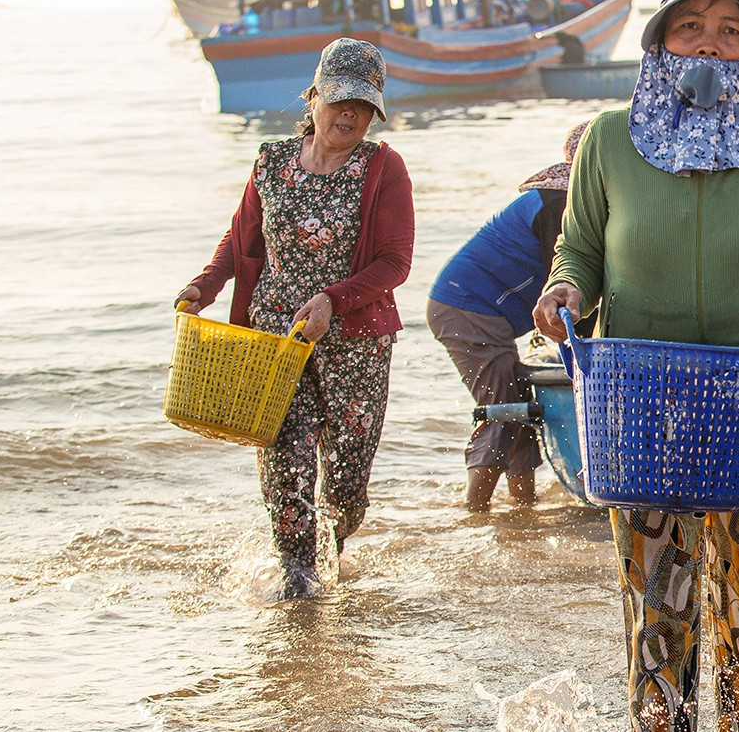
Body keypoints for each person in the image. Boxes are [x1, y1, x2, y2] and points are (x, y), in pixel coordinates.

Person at [531, 0, 739, 732]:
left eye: (731, 31)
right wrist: (566, 290)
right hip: (639, 407)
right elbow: (577, 252)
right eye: (691, 27)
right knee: (656, 605)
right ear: (661, 41)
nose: (710, 44)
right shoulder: (609, 140)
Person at [177, 38, 414, 599]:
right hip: (277, 340)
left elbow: (394, 263)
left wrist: (333, 300)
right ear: (313, 98)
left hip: (354, 343)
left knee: (347, 482)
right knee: (285, 463)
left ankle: (332, 554)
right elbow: (241, 242)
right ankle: (298, 580)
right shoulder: (272, 161)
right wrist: (204, 286)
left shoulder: (383, 167)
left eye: (363, 106)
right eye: (339, 101)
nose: (350, 115)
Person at [427, 121, 592, 512]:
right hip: (468, 307)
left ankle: (522, 512)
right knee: (502, 413)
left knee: (517, 412)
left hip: (476, 309)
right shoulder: (560, 203)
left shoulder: (562, 198)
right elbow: (564, 288)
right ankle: (475, 513)